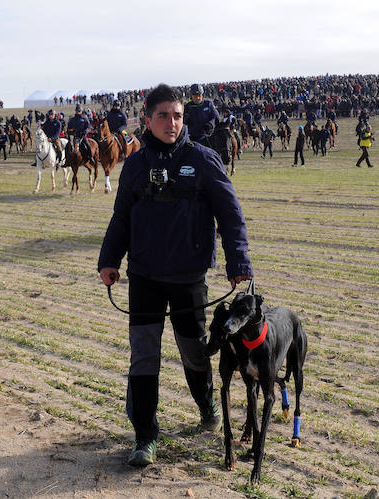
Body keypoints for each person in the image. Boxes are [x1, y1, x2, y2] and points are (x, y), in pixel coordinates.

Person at [97, 83, 252, 467]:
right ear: (147, 119)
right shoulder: (135, 165)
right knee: (144, 356)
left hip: (188, 277)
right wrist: (109, 259)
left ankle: (207, 406)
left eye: (177, 116)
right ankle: (145, 436)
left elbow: (230, 214)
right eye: (163, 115)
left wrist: (238, 263)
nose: (172, 122)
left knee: (195, 352)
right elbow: (121, 217)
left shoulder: (203, 160)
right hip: (145, 276)